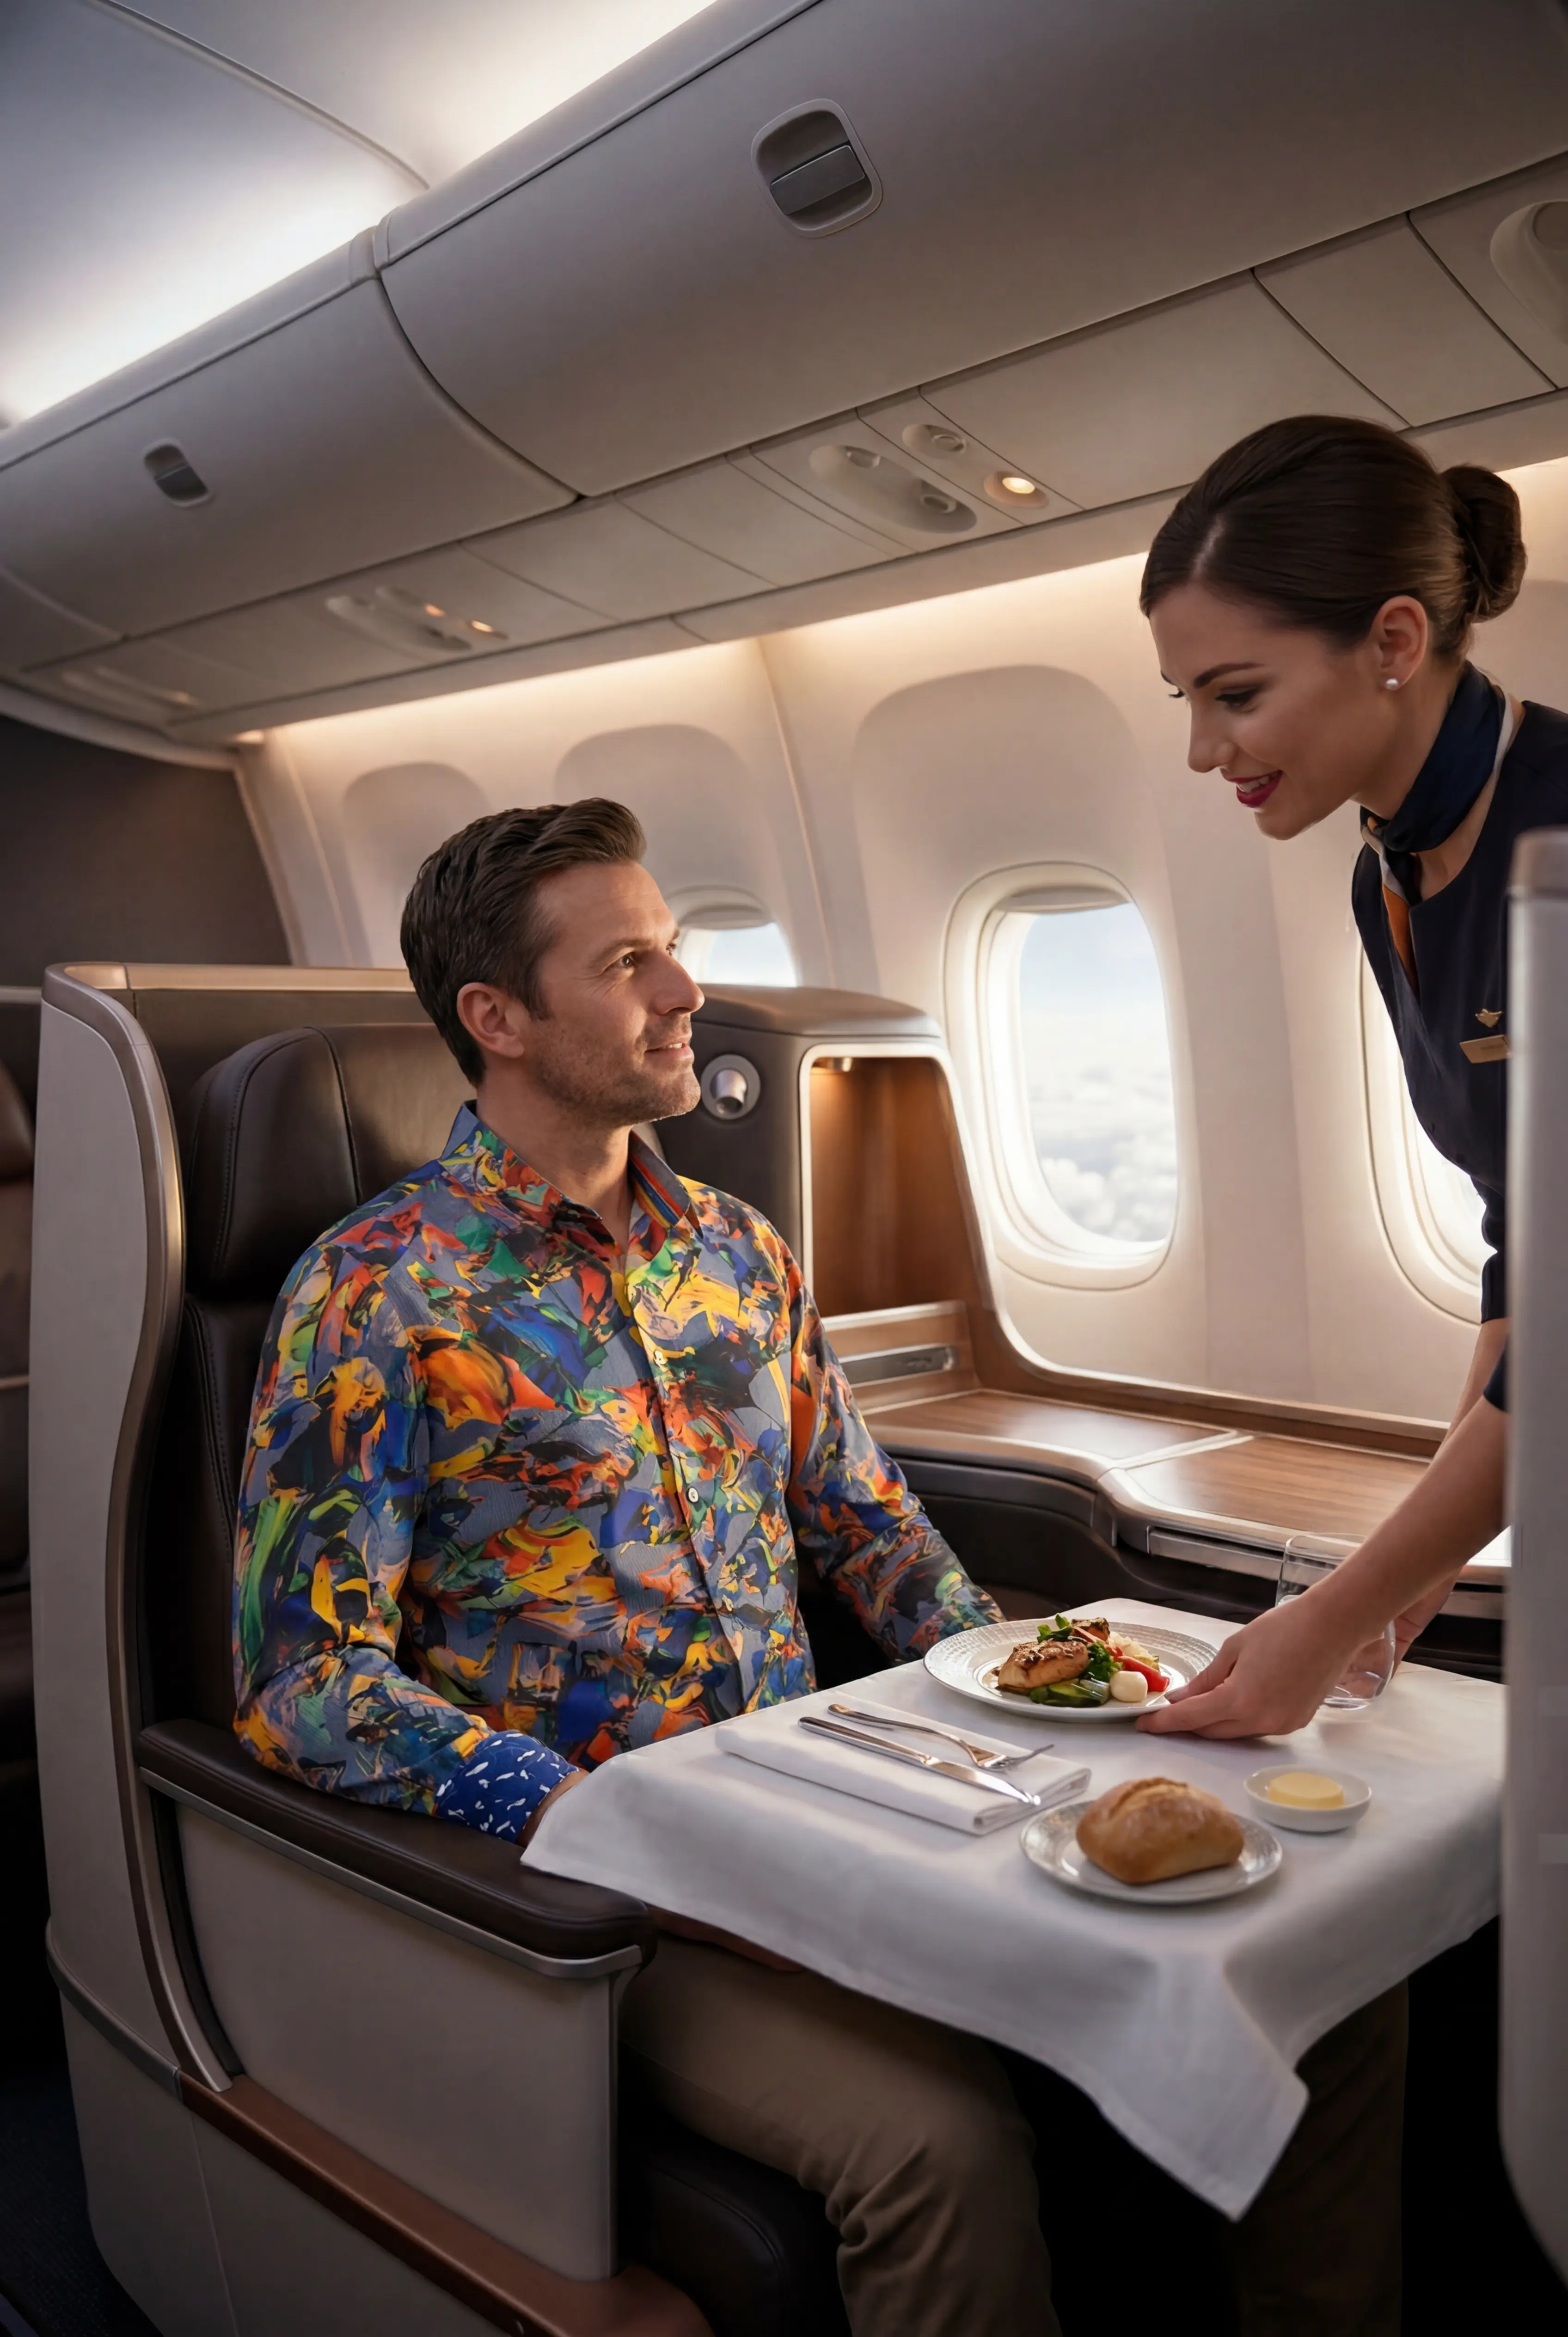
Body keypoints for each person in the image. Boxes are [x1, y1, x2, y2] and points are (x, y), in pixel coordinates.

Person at [233, 795, 1403, 2335]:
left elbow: (866, 1522)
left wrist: (1040, 1685)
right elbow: (303, 1684)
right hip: (608, 1887)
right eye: (631, 961)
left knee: (1310, 1980)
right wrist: (559, 1802)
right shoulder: (374, 1292)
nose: (685, 992)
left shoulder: (737, 1250)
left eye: (676, 947)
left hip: (832, 1802)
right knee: (939, 2149)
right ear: (497, 1019)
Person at [1137, 413, 1545, 1739]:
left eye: (1236, 694)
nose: (1206, 750)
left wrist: (1339, 1608)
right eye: (1188, 700)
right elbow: (1522, 1236)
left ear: (1393, 642)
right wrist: (1412, 1563)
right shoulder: (1394, 877)